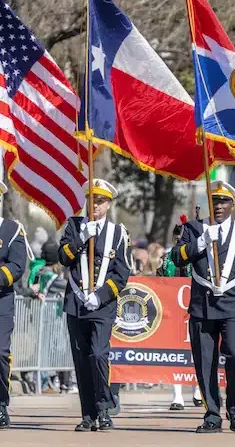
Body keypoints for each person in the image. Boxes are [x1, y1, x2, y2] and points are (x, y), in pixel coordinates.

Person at [172, 180, 235, 434]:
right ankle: (212, 413)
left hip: (233, 305)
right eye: (215, 201)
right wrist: (201, 242)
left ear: (233, 205)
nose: (219, 206)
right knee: (205, 362)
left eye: (224, 201)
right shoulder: (193, 229)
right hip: (202, 306)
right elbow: (176, 257)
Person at [59, 178, 131, 432]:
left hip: (103, 304)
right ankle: (88, 415)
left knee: (98, 355)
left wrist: (100, 295)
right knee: (81, 359)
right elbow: (63, 257)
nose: (95, 206)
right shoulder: (74, 225)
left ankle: (104, 407)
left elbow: (122, 272)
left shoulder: (118, 233)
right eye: (92, 200)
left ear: (109, 204)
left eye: (100, 201)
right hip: (76, 302)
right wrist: (80, 239)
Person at [157, 216, 203, 410]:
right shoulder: (169, 257)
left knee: (198, 351)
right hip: (174, 310)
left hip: (197, 307)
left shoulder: (199, 254)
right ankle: (177, 396)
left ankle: (198, 390)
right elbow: (161, 280)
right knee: (175, 353)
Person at [0, 181, 28, 429]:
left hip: (1, 300)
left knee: (0, 352)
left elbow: (18, 266)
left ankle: (0, 404)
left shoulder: (11, 229)